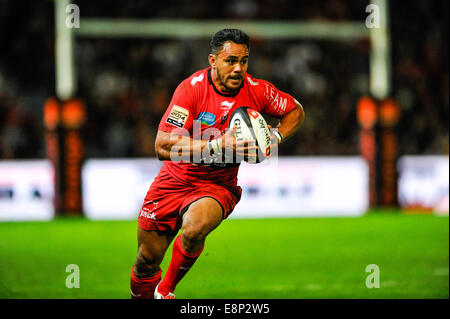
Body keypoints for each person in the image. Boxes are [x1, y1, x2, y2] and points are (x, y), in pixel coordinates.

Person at [130, 28, 305, 299]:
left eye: (243, 61)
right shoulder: (191, 90)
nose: (238, 69)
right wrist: (215, 144)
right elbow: (162, 146)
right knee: (146, 261)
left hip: (216, 185)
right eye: (230, 61)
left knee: (195, 226)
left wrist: (276, 135)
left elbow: (295, 110)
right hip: (173, 181)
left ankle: (165, 291)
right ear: (213, 60)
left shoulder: (258, 91)